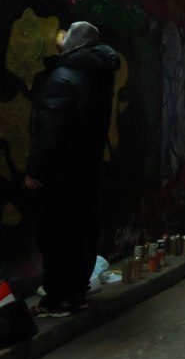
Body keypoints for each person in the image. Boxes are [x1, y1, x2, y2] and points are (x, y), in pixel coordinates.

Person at [25, 21, 120, 318]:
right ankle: (77, 294)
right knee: (82, 233)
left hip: (59, 175)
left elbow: (51, 129)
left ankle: (55, 300)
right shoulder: (99, 77)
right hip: (86, 172)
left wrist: (35, 171)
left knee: (55, 236)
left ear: (73, 43)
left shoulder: (63, 78)